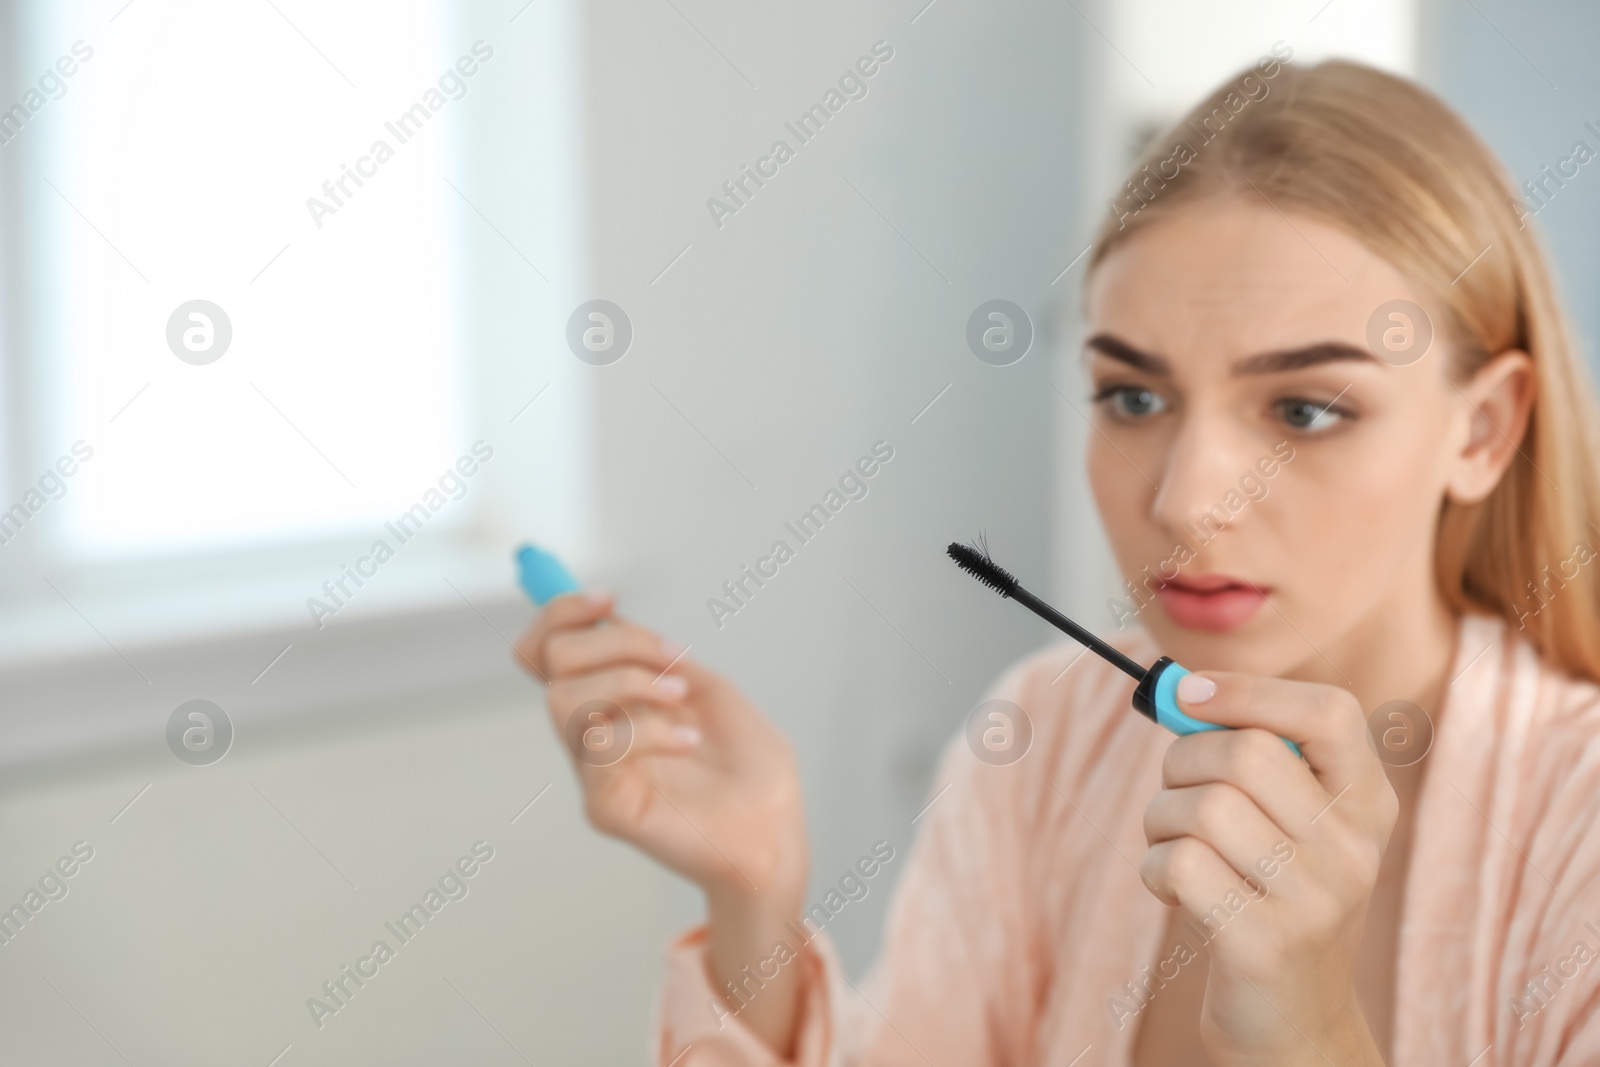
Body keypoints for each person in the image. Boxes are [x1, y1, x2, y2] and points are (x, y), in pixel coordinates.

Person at [516, 59, 1600, 1066]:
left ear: (1483, 430)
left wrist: (1311, 1028)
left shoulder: (1579, 826)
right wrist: (752, 891)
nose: (1182, 498)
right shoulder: (1047, 736)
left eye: (1304, 408)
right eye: (1132, 395)